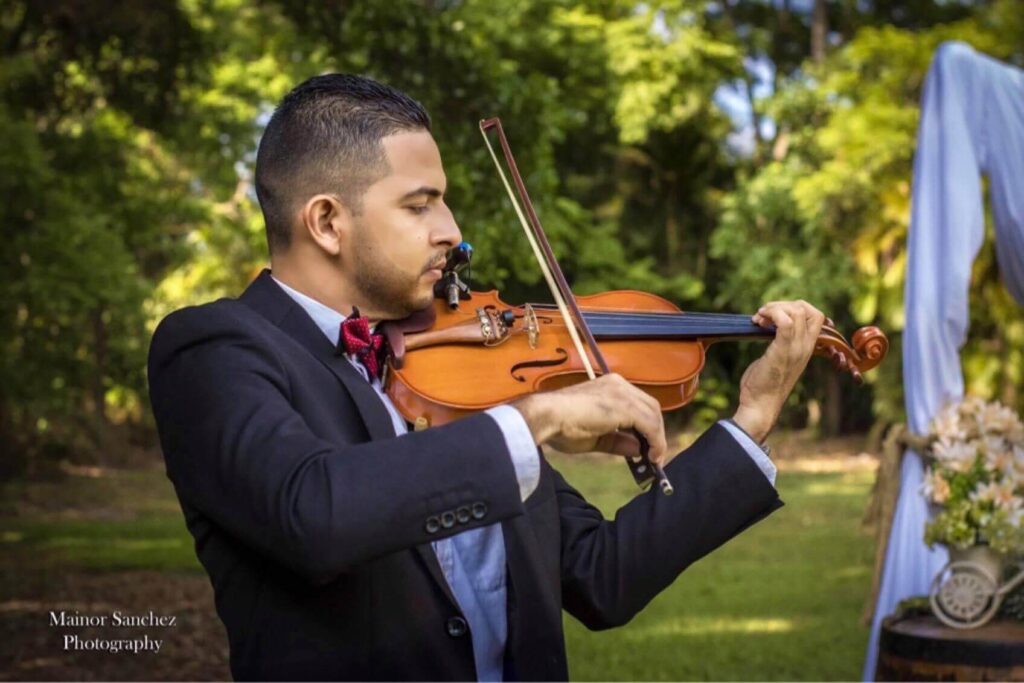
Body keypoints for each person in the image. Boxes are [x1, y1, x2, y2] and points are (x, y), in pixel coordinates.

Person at [148, 73, 827, 681]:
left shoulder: (455, 380)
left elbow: (604, 576)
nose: (452, 229)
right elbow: (312, 512)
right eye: (420, 205)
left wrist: (753, 417)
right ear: (327, 220)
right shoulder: (214, 350)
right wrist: (542, 417)